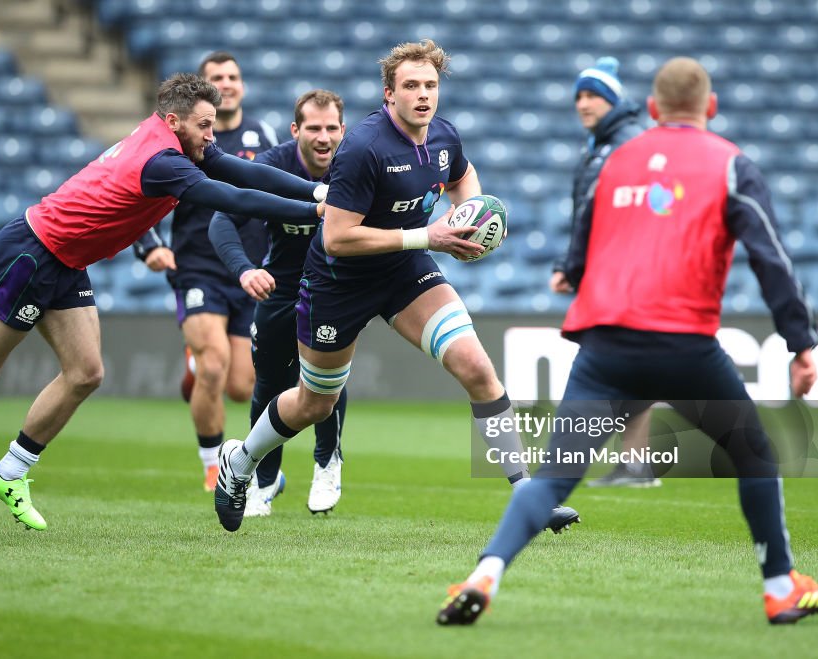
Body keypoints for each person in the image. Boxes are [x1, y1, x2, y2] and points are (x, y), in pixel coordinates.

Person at [437, 57, 818, 627]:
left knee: (553, 476)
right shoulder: (731, 165)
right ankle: (779, 588)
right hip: (685, 348)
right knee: (753, 455)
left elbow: (582, 240)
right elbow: (770, 258)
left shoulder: (616, 160)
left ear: (651, 108)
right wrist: (801, 343)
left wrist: (572, 270)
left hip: (606, 349)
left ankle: (485, 574)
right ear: (711, 107)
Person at [0, 72, 328, 534]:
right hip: (30, 253)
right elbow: (233, 196)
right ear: (174, 120)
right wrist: (312, 211)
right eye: (204, 125)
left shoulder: (175, 140)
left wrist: (316, 189)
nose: (211, 135)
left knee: (85, 372)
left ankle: (10, 472)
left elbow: (244, 170)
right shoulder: (163, 161)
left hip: (67, 260)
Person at [210, 39, 580, 536]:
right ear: (389, 94)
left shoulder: (444, 137)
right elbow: (337, 238)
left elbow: (463, 176)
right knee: (315, 402)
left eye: (430, 85)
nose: (423, 95)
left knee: (476, 367)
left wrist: (473, 215)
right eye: (411, 86)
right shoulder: (363, 148)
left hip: (403, 270)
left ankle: (529, 497)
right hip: (337, 283)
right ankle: (240, 462)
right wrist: (430, 235)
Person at [134, 52, 279, 494]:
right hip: (196, 267)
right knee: (214, 365)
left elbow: (272, 188)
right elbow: (138, 190)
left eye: (234, 76)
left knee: (240, 386)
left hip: (247, 270)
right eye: (218, 77)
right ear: (205, 88)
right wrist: (150, 248)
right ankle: (213, 464)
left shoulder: (262, 134)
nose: (228, 83)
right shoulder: (182, 138)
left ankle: (196, 365)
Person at [210, 90, 348, 516]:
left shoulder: (358, 165)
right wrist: (245, 270)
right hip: (281, 289)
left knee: (325, 380)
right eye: (314, 128)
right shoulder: (271, 165)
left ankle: (328, 463)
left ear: (342, 130)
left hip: (335, 290)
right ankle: (262, 483)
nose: (323, 137)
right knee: (268, 383)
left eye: (331, 128)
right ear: (296, 130)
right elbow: (222, 219)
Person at [549, 56, 659, 488]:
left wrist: (572, 267)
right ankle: (636, 465)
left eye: (593, 95)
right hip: (611, 270)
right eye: (578, 95)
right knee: (631, 362)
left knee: (622, 362)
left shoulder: (626, 143)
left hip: (628, 272)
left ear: (613, 100)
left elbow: (619, 215)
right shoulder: (600, 144)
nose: (583, 103)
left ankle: (631, 464)